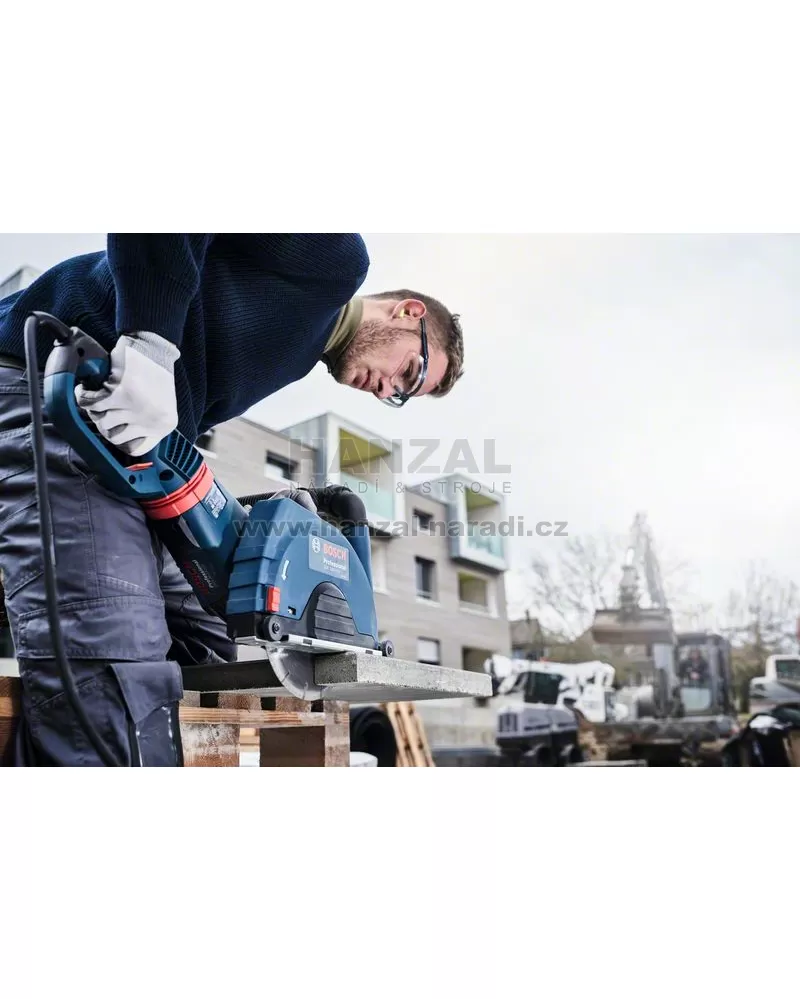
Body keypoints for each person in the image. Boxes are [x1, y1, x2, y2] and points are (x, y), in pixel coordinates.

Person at [0, 234, 464, 766]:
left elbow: (170, 438)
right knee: (115, 650)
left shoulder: (296, 352)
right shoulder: (336, 262)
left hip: (117, 449)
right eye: (409, 372)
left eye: (401, 395)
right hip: (51, 383)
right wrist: (151, 341)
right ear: (408, 312)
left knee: (211, 638)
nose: (388, 390)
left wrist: (249, 528)